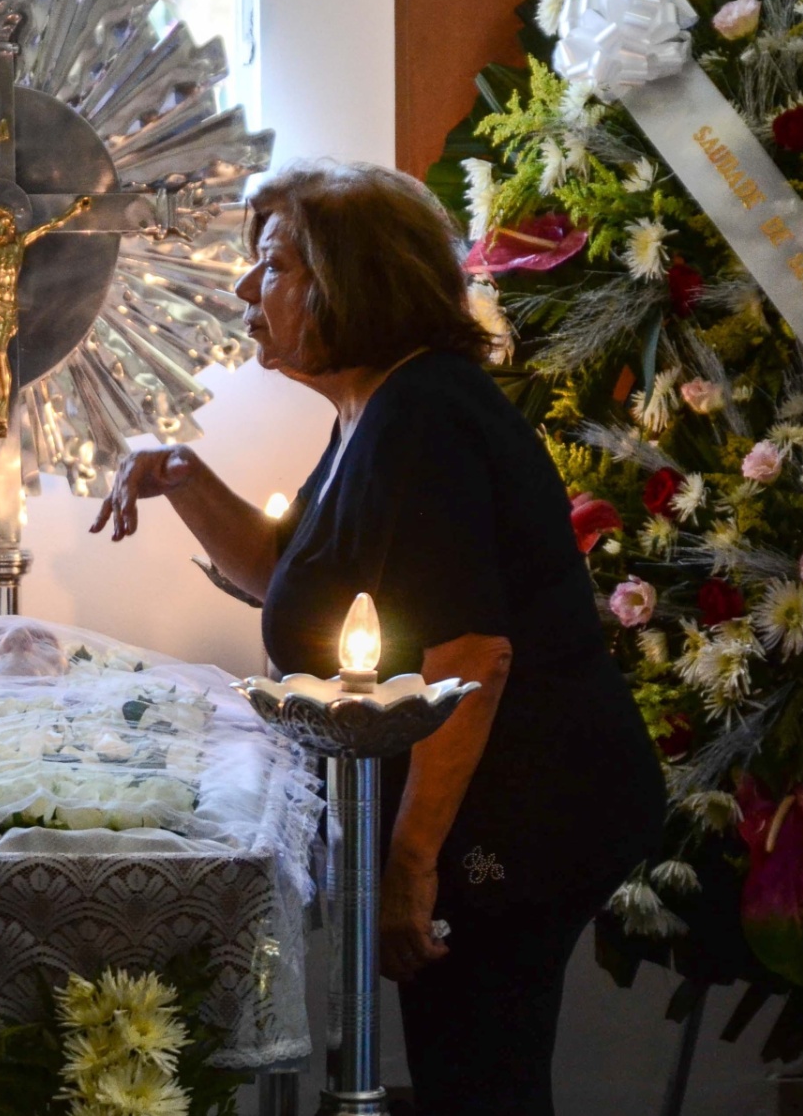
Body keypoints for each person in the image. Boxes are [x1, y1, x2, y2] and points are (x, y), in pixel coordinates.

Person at [90, 161, 665, 1115]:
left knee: (482, 1078)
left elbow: (471, 655)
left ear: (351, 282)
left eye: (271, 265)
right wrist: (183, 476)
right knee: (466, 1071)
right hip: (482, 796)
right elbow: (291, 577)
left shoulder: (425, 416)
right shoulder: (376, 406)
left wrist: (409, 863)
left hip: (522, 800)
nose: (245, 289)